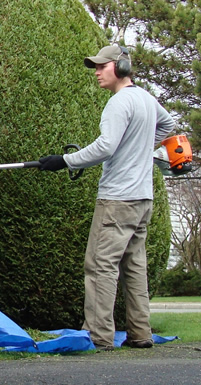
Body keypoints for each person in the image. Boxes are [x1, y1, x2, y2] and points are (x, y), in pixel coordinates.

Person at [38, 45, 175, 351]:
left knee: (100, 265)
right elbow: (168, 125)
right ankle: (141, 334)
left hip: (117, 200)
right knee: (134, 266)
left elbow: (106, 147)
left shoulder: (119, 102)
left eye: (102, 66)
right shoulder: (146, 99)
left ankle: (99, 336)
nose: (97, 72)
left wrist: (65, 160)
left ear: (121, 66)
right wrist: (139, 147)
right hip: (142, 200)